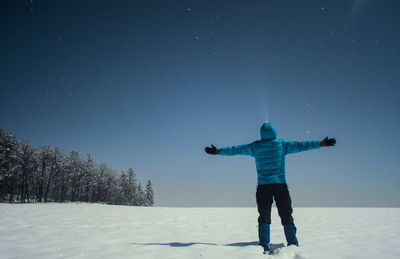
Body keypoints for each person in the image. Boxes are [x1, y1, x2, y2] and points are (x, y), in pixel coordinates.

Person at [204, 122, 336, 253]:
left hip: (263, 187)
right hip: (280, 186)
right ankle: (293, 244)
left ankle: (264, 246)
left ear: (261, 134)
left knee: (264, 215)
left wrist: (217, 151)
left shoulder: (256, 146)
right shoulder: (282, 145)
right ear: (274, 133)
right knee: (286, 214)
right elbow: (302, 146)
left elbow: (236, 149)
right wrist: (321, 143)